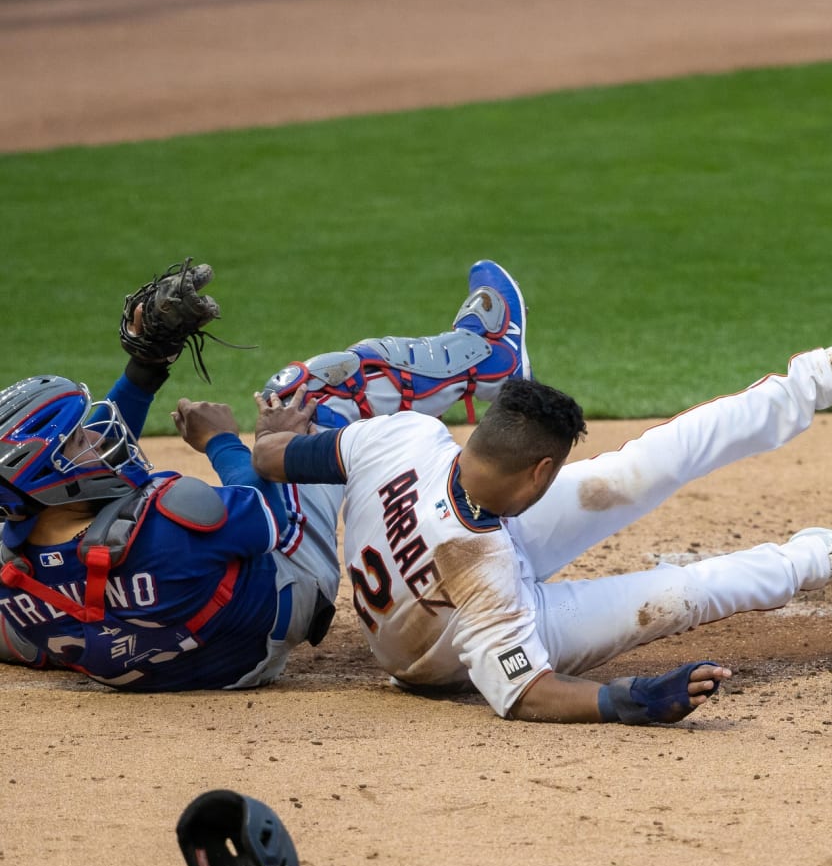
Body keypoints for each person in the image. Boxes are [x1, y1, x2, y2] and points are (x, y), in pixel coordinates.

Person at [252, 270, 832, 725]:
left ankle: (818, 378)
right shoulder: (482, 571)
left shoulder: (404, 438)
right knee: (679, 594)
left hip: (450, 555)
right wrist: (627, 699)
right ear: (539, 472)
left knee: (639, 470)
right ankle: (823, 557)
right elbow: (524, 693)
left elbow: (278, 457)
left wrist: (262, 439)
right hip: (440, 650)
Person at [0, 259, 532, 689]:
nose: (100, 434)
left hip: (206, 659)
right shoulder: (168, 519)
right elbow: (270, 518)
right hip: (282, 600)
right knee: (307, 389)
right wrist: (232, 442)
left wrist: (146, 368)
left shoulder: (13, 577)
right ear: (53, 475)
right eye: (79, 438)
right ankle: (494, 358)